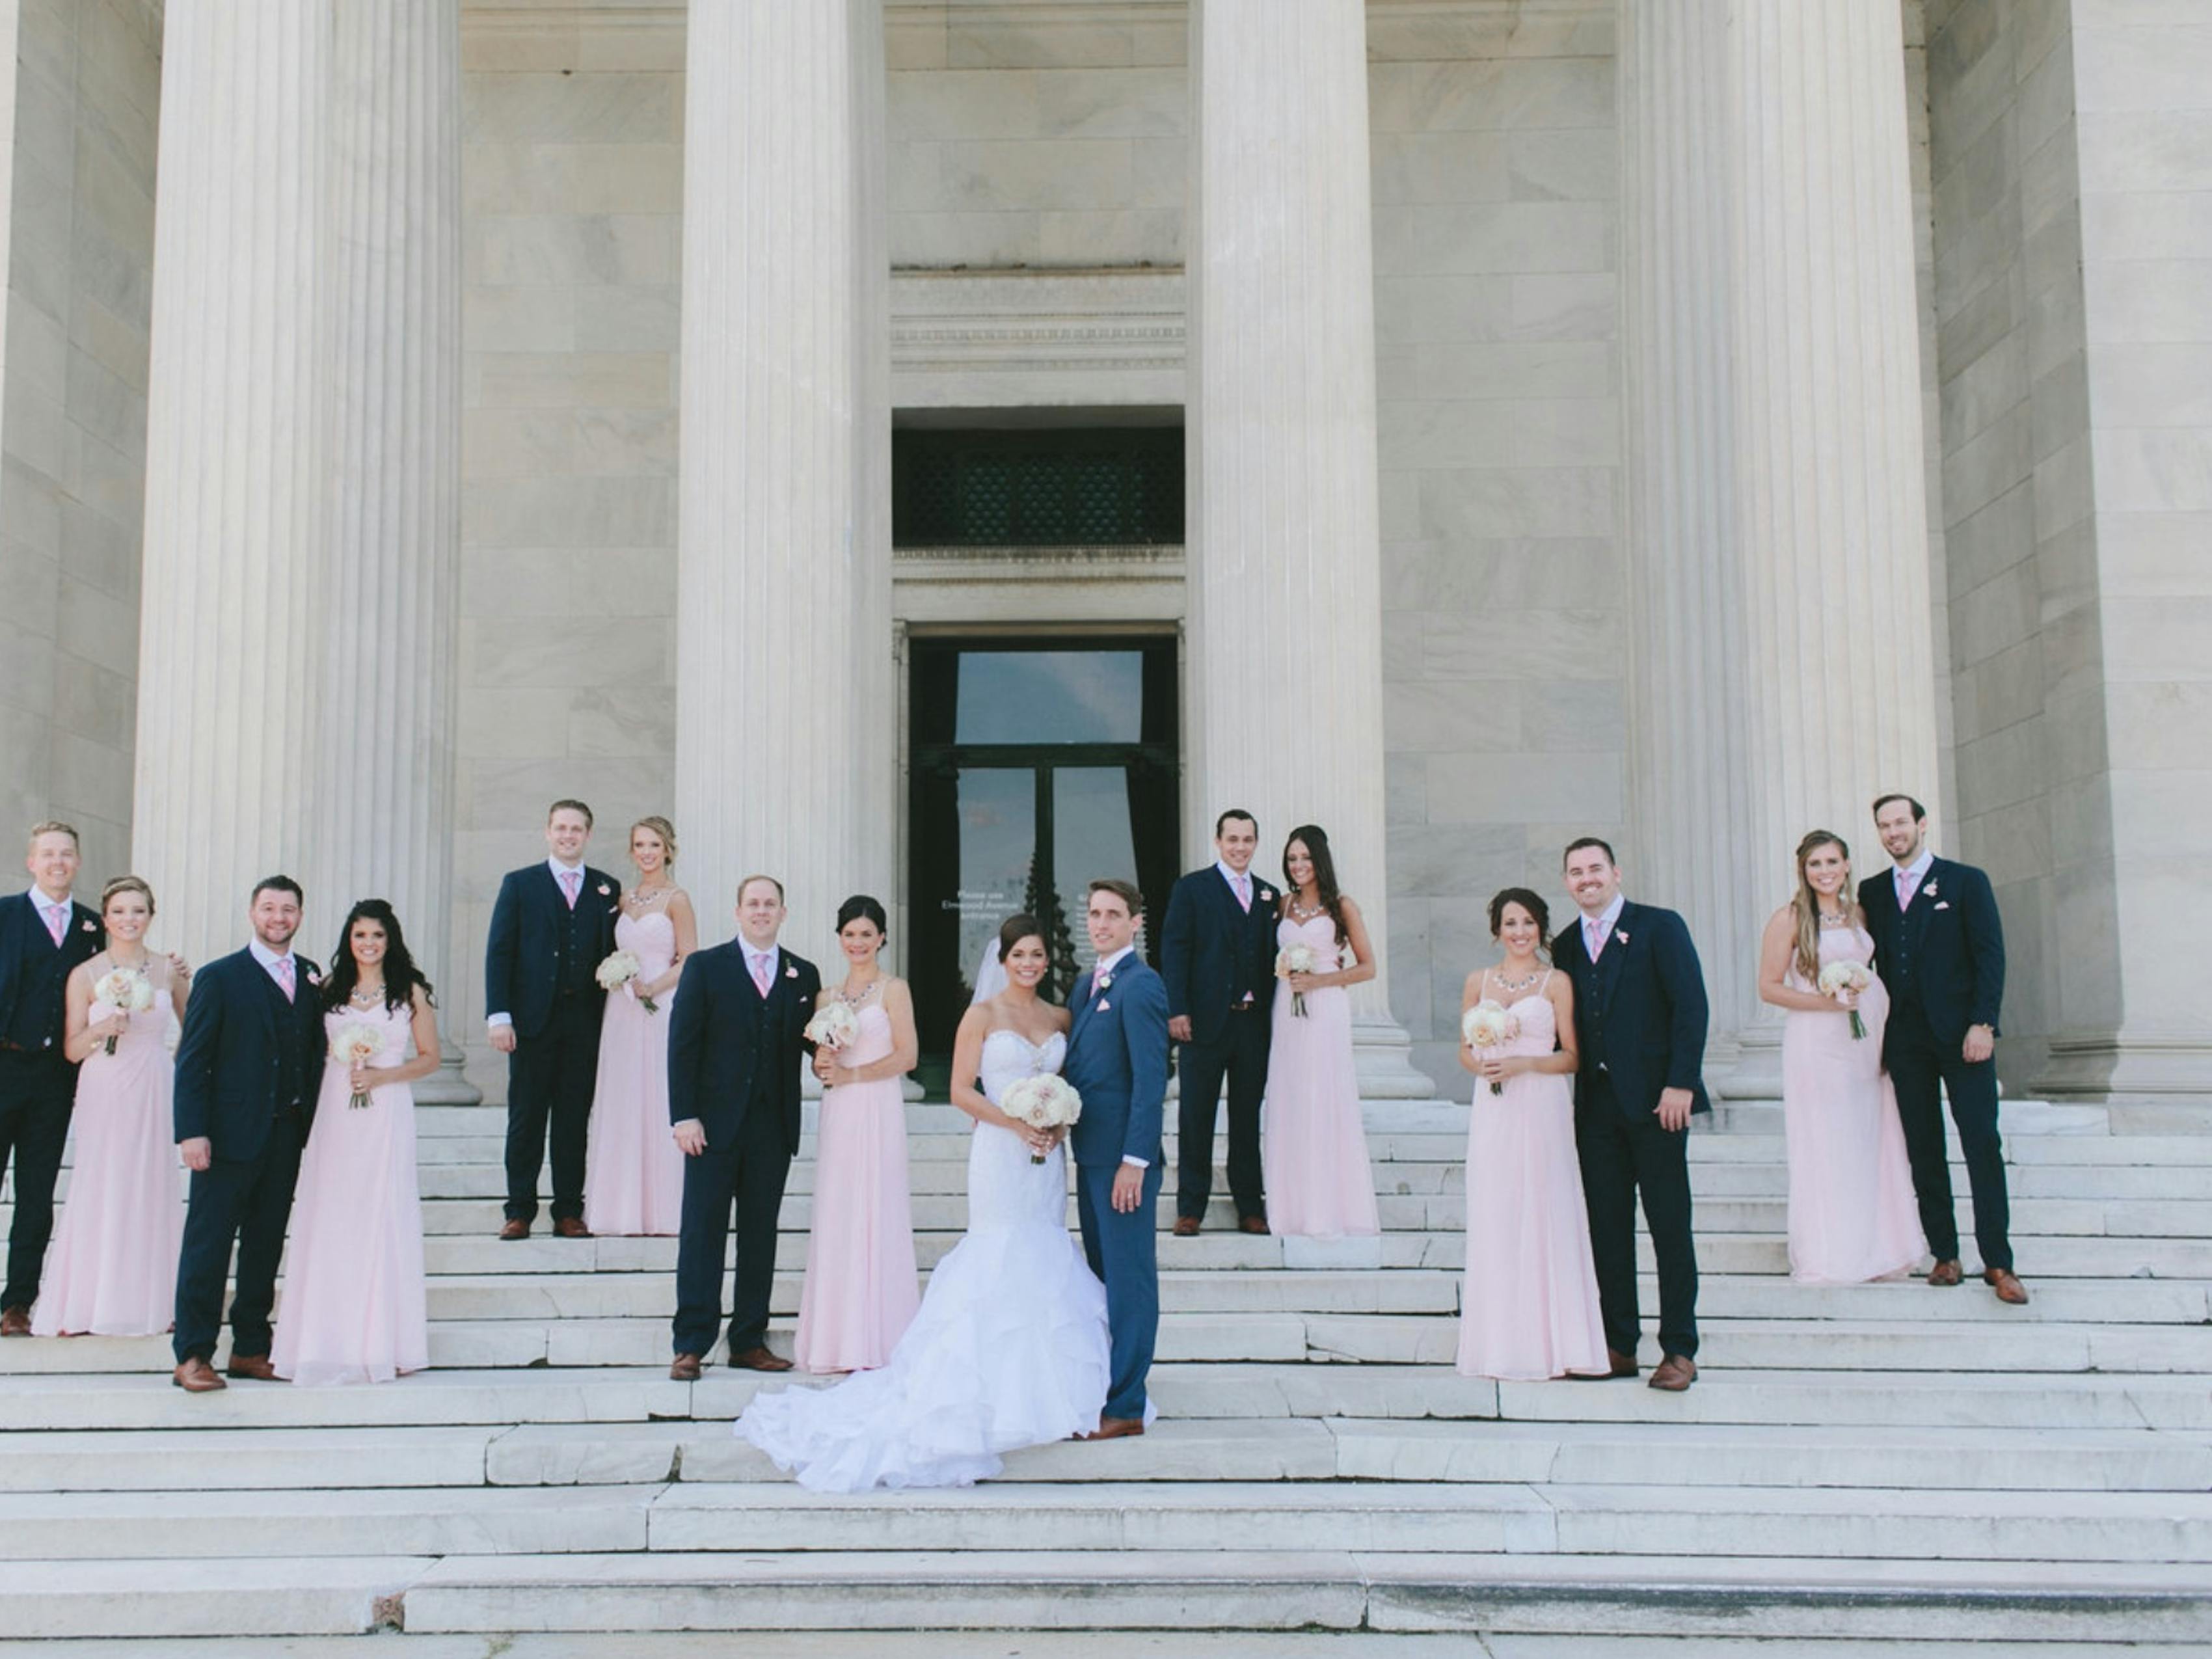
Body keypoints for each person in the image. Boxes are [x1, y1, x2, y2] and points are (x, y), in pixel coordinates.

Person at [738, 914, 1111, 1490]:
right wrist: (1016, 1123)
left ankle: (1046, 1386)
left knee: (1044, 1251)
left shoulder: (1060, 1017)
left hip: (1045, 1158)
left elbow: (1073, 1083)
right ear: (1004, 960)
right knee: (997, 1254)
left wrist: (1056, 1124)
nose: (1030, 964)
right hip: (999, 1151)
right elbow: (962, 1090)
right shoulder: (981, 1016)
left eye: (1038, 955)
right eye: (1020, 956)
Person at [1548, 838, 1708, 1392]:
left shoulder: (1659, 927)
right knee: (1608, 1230)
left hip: (1659, 1105)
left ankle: (1679, 1348)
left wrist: (1681, 1083)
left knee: (1669, 1227)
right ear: (1567, 882)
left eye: (1595, 868)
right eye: (1576, 872)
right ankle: (1619, 1343)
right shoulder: (1565, 945)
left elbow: (1691, 1006)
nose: (1587, 879)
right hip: (1596, 1112)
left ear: (1616, 872)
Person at [1858, 794, 2020, 1304]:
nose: (1893, 833)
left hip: (1963, 1036)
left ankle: (1998, 1260)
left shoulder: (1965, 881)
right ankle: (1945, 1253)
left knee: (1980, 1143)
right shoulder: (1873, 892)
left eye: (1901, 823)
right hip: (1906, 1041)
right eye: (1884, 826)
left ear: (1921, 825)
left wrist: (1984, 1024)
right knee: (1923, 1147)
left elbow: (1990, 956)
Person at [170, 877, 327, 1392]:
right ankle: (193, 1354)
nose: (278, 917)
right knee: (208, 1247)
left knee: (264, 1246)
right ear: (252, 913)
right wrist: (192, 1132)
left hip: (286, 1137)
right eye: (268, 908)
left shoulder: (309, 977)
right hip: (226, 1136)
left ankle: (251, 1347)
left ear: (300, 916)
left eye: (288, 909)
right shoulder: (219, 976)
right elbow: (193, 1060)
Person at [271, 900, 437, 1384]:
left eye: (378, 937)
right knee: (332, 1217)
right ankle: (325, 1338)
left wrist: (385, 1076)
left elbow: (430, 1058)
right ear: (349, 940)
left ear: (391, 941)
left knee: (382, 1215)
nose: (369, 945)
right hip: (336, 1114)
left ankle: (386, 1340)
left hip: (384, 1113)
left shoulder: (409, 994)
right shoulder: (327, 990)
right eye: (361, 936)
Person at [668, 876, 821, 1381]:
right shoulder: (706, 967)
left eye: (770, 904)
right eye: (752, 904)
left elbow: (816, 1045)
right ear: (737, 912)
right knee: (702, 1232)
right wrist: (683, 1115)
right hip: (710, 1127)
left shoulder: (804, 975)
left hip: (771, 1128)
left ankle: (748, 1340)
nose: (761, 912)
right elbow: (683, 1046)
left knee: (760, 1235)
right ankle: (691, 1342)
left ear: (783, 912)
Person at [1759, 831, 1924, 1285]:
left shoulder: (1858, 914)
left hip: (1864, 1040)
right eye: (1815, 864)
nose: (1825, 871)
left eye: (1832, 861)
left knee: (1868, 1136)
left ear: (1847, 865)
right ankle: (1832, 1251)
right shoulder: (1790, 918)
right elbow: (1770, 986)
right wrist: (1826, 1002)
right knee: (1827, 1140)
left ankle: (1879, 1245)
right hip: (1816, 1040)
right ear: (1804, 871)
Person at [1456, 888, 1608, 1381]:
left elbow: (1572, 1057)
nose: (1519, 932)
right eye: (1510, 923)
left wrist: (1523, 1063)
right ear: (1496, 929)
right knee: (1497, 1211)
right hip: (1494, 1109)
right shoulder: (1478, 981)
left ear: (1541, 928)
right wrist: (1482, 1062)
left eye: (1528, 923)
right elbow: (1464, 1049)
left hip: (1541, 1103)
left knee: (1545, 1209)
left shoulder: (1556, 982)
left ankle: (1554, 1343)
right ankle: (1500, 1345)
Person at [32, 876, 188, 1337]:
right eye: (119, 911)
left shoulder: (168, 970)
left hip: (154, 1085)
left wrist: (169, 1064)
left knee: (150, 1182)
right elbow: (72, 1048)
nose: (128, 920)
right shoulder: (86, 974)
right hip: (104, 1086)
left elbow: (196, 1030)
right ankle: (89, 1299)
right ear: (105, 919)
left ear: (150, 916)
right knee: (104, 1181)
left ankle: (153, 1300)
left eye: (138, 911)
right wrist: (104, 1030)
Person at [792, 895, 919, 1374]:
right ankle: (835, 1338)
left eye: (867, 934)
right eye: (850, 934)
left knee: (877, 1207)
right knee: (839, 1211)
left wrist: (855, 1076)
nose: (858, 943)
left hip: (876, 1104)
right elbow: (822, 1057)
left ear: (882, 938)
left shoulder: (894, 990)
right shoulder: (826, 998)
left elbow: (907, 1056)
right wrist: (824, 1064)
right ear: (840, 938)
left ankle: (880, 1335)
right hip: (839, 1110)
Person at [1060, 878, 1169, 1439]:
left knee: (1130, 1281)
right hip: (1090, 1154)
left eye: (1112, 914)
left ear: (1135, 923)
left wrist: (1137, 1159)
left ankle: (1126, 1404)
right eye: (1094, 913)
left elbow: (1152, 1080)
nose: (1100, 923)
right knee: (1103, 1277)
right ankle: (1106, 1382)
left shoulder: (1142, 985)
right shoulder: (1086, 986)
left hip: (1124, 1162)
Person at [485, 799, 621, 1241]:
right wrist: (499, 1016)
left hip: (584, 1023)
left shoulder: (606, 888)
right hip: (530, 1022)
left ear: (588, 835)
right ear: (548, 832)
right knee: (526, 1117)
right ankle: (519, 1209)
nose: (568, 836)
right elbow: (500, 952)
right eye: (561, 828)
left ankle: (568, 1210)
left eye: (577, 829)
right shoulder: (520, 884)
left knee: (572, 1119)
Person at [0, 822, 106, 1336]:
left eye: (67, 853)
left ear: (78, 862)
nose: (58, 862)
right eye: (48, 854)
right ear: (32, 862)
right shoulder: (3, 915)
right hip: (3, 1065)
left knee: (37, 1194)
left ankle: (17, 1302)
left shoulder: (93, 928)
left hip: (54, 1079)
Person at [1160, 810, 1278, 1236]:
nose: (1240, 847)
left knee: (1247, 1118)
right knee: (1196, 1116)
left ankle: (1251, 1206)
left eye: (1247, 839)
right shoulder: (1192, 889)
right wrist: (1177, 1009)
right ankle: (1191, 1207)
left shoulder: (1269, 895)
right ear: (1218, 841)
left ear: (1256, 843)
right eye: (1232, 839)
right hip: (1202, 1025)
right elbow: (1175, 951)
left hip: (1253, 1026)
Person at [1261, 825, 1379, 1241]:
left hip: (1325, 1008)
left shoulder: (1341, 906)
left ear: (1320, 861)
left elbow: (1368, 967)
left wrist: (1320, 982)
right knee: (1290, 1097)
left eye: (1306, 858)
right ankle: (1289, 1209)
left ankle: (1330, 1209)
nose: (1298, 866)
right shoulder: (1283, 904)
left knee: (1323, 1095)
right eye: (1292, 858)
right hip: (1286, 1007)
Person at [583, 816, 695, 1237]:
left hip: (659, 1003)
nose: (647, 852)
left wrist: (652, 987)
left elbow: (689, 958)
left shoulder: (677, 899)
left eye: (654, 845)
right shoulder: (624, 899)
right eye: (639, 845)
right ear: (632, 851)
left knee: (659, 1095)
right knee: (623, 1097)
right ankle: (619, 1208)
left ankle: (664, 1210)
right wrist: (617, 976)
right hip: (622, 1008)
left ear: (668, 849)